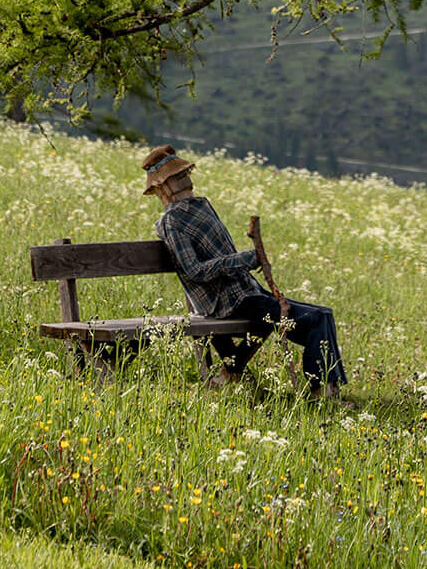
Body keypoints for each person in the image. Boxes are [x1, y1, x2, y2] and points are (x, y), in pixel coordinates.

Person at [142, 144, 347, 398]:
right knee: (313, 321)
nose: (185, 180)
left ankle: (329, 388)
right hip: (225, 303)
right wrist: (243, 260)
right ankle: (320, 392)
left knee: (323, 314)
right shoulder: (171, 221)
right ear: (162, 188)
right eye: (177, 177)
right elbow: (193, 270)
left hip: (246, 292)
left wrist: (246, 263)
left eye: (185, 174)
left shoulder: (202, 205)